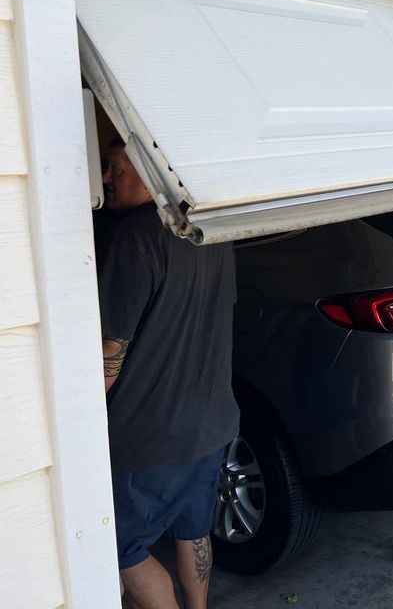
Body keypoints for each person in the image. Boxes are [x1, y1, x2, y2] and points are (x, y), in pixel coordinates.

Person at [98, 138, 239, 609]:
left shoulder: (133, 237)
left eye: (114, 167)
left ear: (148, 172)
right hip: (211, 423)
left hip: (149, 435)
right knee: (193, 530)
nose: (104, 178)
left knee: (120, 549)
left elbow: (109, 353)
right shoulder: (209, 228)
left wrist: (84, 429)